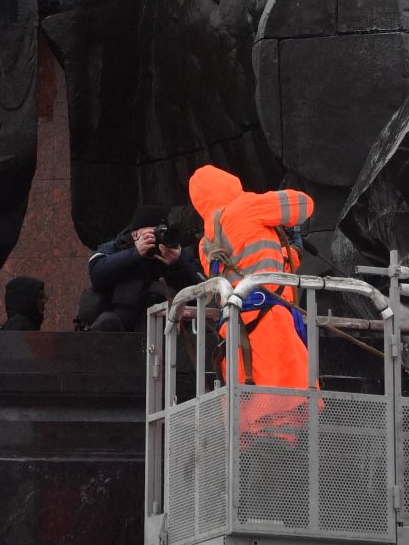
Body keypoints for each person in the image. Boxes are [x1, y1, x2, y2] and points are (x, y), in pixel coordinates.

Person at [187, 165, 314, 395]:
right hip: (272, 325)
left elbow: (251, 266)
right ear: (230, 183)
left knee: (249, 413)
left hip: (236, 331)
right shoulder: (247, 206)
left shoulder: (205, 243)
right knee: (287, 405)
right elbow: (304, 205)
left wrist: (292, 252)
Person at [81, 204, 200, 331]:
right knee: (106, 323)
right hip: (122, 318)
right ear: (135, 235)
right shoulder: (119, 246)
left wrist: (178, 262)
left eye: (159, 233)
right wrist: (135, 253)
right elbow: (96, 274)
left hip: (163, 323)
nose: (155, 240)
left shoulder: (175, 253)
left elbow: (200, 289)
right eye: (150, 235)